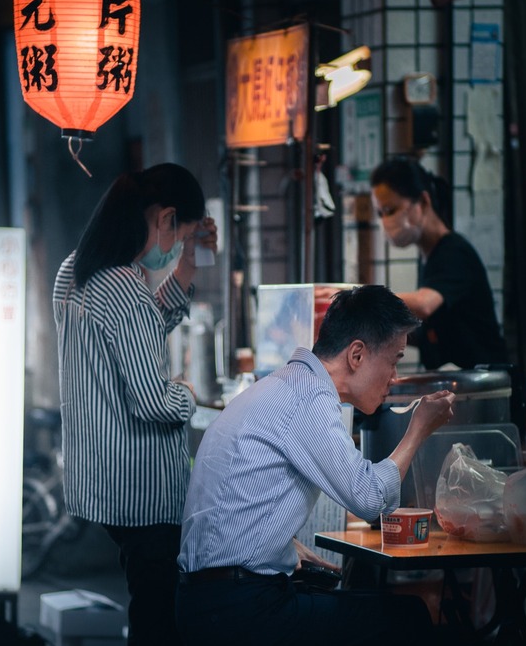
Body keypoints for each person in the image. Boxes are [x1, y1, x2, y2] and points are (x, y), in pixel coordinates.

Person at [176, 285, 455, 646]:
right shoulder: (308, 397)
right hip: (236, 609)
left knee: (364, 601)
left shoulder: (286, 385)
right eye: (394, 360)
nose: (395, 377)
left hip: (210, 599)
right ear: (357, 354)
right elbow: (369, 498)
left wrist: (282, 547)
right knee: (408, 617)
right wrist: (417, 430)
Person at [53, 162, 217, 646]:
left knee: (146, 604)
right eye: (181, 235)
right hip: (143, 490)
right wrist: (188, 394)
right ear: (165, 218)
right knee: (156, 616)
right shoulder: (124, 287)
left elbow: (137, 331)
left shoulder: (75, 270)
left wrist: (189, 262)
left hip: (102, 479)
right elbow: (153, 401)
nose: (175, 248)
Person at [370, 156, 509, 370]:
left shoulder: (454, 252)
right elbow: (430, 330)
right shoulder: (429, 258)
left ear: (423, 202)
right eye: (380, 214)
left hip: (486, 387)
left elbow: (424, 304)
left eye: (390, 211)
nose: (385, 221)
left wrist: (362, 300)